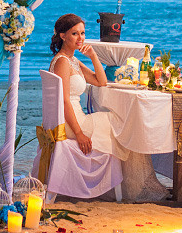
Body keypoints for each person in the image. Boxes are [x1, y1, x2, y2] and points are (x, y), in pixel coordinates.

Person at [49, 13, 127, 160]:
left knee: (117, 124)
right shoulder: (63, 62)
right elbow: (64, 101)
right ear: (63, 36)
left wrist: (93, 56)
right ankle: (112, 176)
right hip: (71, 123)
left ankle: (110, 172)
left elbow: (101, 82)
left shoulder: (72, 60)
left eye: (82, 33)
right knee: (117, 123)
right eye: (75, 34)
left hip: (76, 117)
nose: (80, 38)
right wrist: (79, 134)